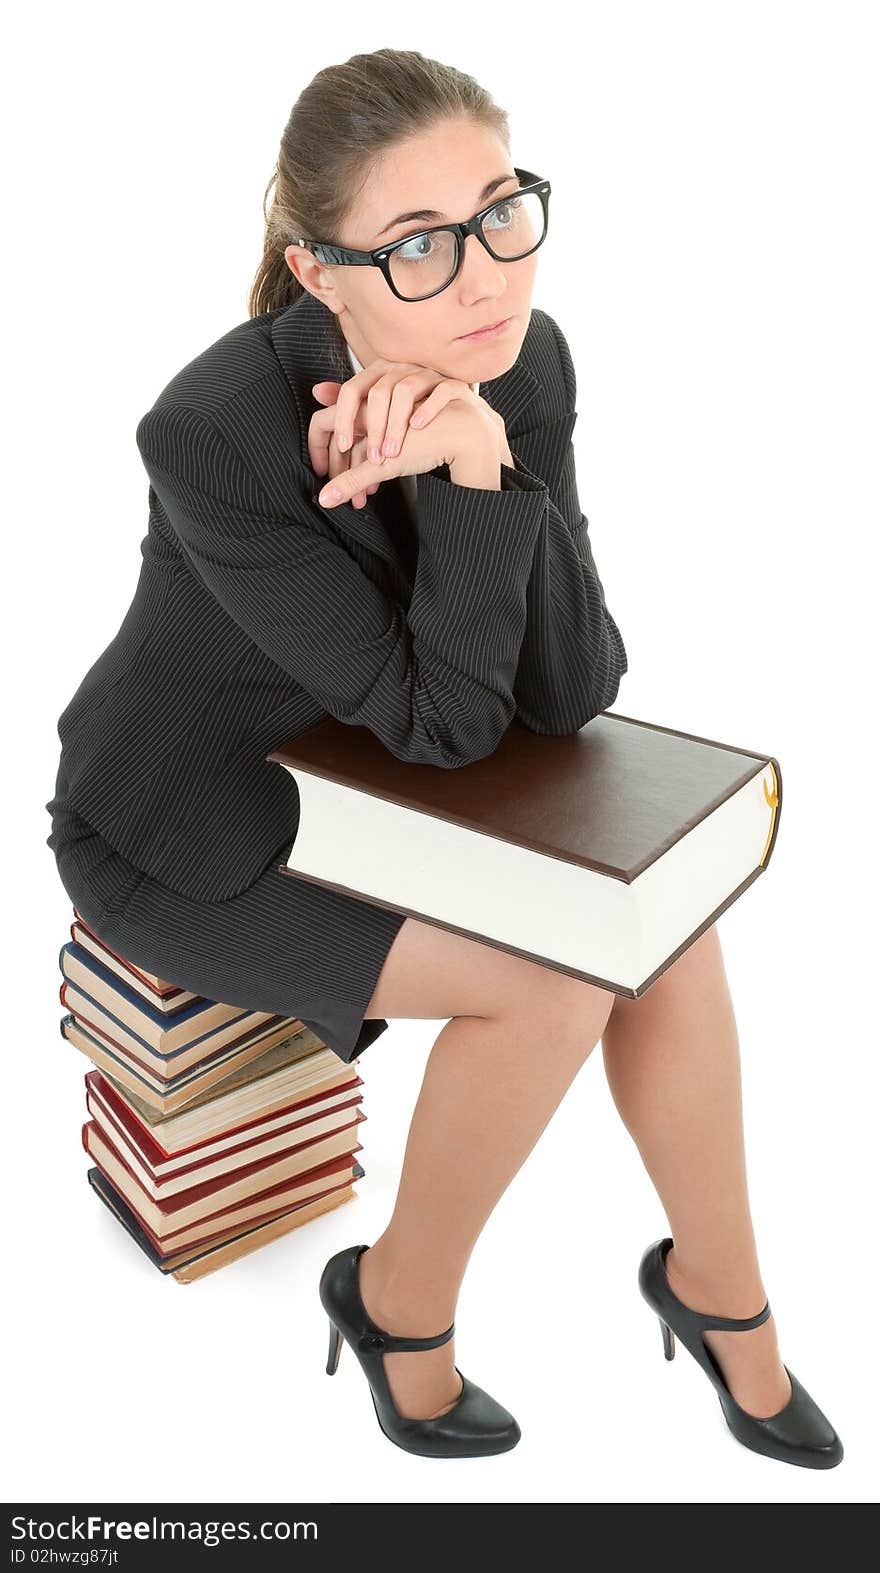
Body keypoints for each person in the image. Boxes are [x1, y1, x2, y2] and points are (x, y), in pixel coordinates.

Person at [45, 48, 841, 1468]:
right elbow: (449, 724)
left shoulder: (517, 360)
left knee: (666, 922)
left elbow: (573, 686)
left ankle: (726, 1294)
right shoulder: (214, 439)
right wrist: (475, 490)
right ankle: (398, 1303)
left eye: (497, 213)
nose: (481, 276)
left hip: (379, 778)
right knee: (553, 983)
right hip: (199, 817)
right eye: (416, 245)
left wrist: (485, 456)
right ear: (316, 270)